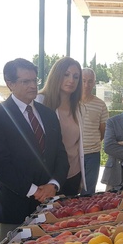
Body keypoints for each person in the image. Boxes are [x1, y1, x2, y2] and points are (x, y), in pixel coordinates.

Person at [0, 59, 69, 241]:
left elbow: (60, 155)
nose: (32, 86)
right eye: (25, 81)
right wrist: (35, 191)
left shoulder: (48, 114)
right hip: (15, 208)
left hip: (49, 207)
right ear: (10, 83)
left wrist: (53, 185)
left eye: (34, 80)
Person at [36, 57, 86, 196]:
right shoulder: (39, 101)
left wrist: (81, 178)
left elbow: (77, 145)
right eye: (66, 74)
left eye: (76, 77)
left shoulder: (78, 107)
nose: (71, 80)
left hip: (73, 175)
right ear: (56, 75)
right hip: (48, 179)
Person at [79, 68, 108, 195]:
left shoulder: (100, 105)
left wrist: (91, 143)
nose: (86, 85)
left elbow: (103, 131)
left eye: (90, 81)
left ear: (94, 83)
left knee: (88, 192)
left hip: (92, 154)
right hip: (72, 154)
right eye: (84, 80)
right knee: (70, 190)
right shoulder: (69, 102)